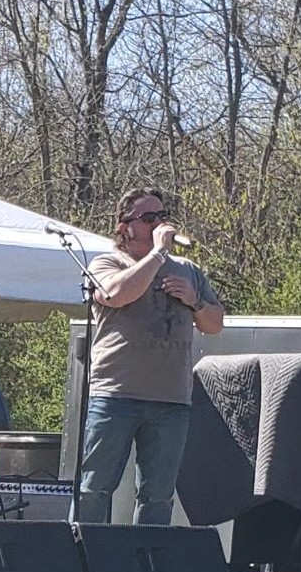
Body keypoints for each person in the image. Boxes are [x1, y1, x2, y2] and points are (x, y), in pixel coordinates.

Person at [80, 188, 224, 525]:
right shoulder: (107, 263)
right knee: (95, 488)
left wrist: (195, 301)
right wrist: (158, 254)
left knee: (158, 495)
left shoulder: (189, 270)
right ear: (125, 225)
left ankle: (145, 567)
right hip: (116, 395)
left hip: (171, 401)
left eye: (161, 215)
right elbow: (115, 294)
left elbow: (215, 324)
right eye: (148, 218)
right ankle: (83, 563)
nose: (159, 223)